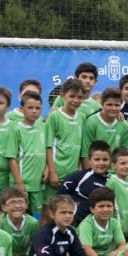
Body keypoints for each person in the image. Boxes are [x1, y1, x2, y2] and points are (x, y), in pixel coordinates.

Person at [27, 195, 96, 256]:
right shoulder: (44, 233)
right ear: (52, 214)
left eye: (70, 213)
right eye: (63, 212)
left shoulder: (71, 231)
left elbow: (80, 253)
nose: (67, 216)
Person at [43, 78, 85, 214]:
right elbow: (48, 146)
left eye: (79, 97)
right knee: (48, 213)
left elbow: (80, 147)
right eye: (71, 96)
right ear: (62, 96)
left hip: (71, 175)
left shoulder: (82, 117)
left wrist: (79, 170)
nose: (75, 100)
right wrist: (52, 171)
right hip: (56, 173)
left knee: (66, 212)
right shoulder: (54, 116)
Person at [76, 187, 126, 256]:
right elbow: (87, 249)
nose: (106, 209)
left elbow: (123, 245)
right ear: (92, 209)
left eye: (109, 206)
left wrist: (117, 252)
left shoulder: (114, 223)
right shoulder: (86, 224)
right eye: (101, 206)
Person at [57, 140, 111, 225]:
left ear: (110, 161)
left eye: (105, 159)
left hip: (98, 226)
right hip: (74, 224)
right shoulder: (77, 177)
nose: (101, 163)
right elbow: (59, 199)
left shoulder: (112, 180)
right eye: (97, 159)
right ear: (89, 160)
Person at [13, 91, 49, 214]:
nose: (34, 111)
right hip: (22, 183)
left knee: (33, 218)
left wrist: (47, 167)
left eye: (37, 108)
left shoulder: (43, 127)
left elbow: (46, 150)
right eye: (30, 108)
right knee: (19, 215)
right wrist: (19, 183)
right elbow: (11, 158)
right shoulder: (15, 129)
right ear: (22, 109)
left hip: (38, 183)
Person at [80, 87, 128, 167]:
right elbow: (85, 153)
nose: (113, 108)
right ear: (102, 104)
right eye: (109, 104)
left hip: (114, 172)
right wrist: (89, 174)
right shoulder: (91, 122)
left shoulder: (124, 125)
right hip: (95, 170)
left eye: (117, 105)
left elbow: (123, 153)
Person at [0, 187, 40, 256]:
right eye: (12, 202)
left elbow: (35, 246)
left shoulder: (33, 223)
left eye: (21, 202)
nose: (17, 206)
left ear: (27, 205)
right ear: (3, 207)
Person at [106, 147, 128, 234]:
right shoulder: (112, 182)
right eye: (123, 163)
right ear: (113, 165)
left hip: (127, 228)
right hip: (117, 230)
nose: (127, 166)